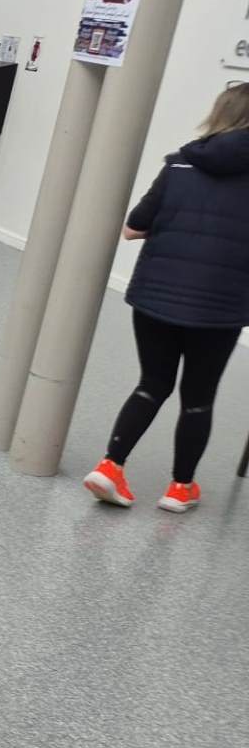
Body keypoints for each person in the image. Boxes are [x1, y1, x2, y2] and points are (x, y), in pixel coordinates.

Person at [85, 83, 249, 513]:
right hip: (219, 308)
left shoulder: (179, 164)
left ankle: (110, 466)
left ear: (220, 114)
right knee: (199, 397)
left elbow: (133, 228)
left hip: (156, 297)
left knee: (152, 384)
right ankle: (180, 488)